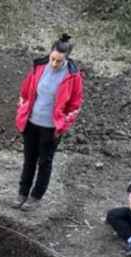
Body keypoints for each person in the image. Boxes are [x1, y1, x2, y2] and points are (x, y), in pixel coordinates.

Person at [13, 34, 85, 211]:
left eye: (59, 61)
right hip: (31, 123)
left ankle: (36, 196)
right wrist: (22, 109)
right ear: (50, 54)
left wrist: (63, 125)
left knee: (44, 162)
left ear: (66, 59)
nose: (54, 64)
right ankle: (22, 192)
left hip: (51, 128)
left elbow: (75, 105)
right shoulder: (38, 67)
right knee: (29, 159)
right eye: (52, 59)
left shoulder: (73, 77)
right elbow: (25, 91)